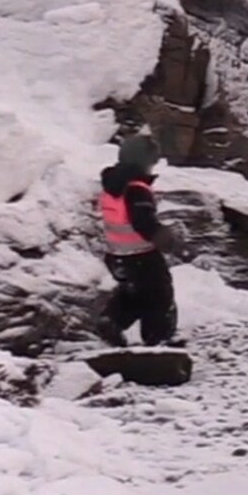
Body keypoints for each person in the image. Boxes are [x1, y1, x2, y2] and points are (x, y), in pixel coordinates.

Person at [96, 135, 177, 347]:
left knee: (136, 294)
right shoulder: (136, 188)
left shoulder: (113, 185)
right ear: (143, 161)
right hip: (142, 254)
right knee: (159, 295)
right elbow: (143, 221)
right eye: (152, 161)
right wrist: (167, 240)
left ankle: (112, 319)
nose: (153, 167)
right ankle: (157, 342)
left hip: (117, 255)